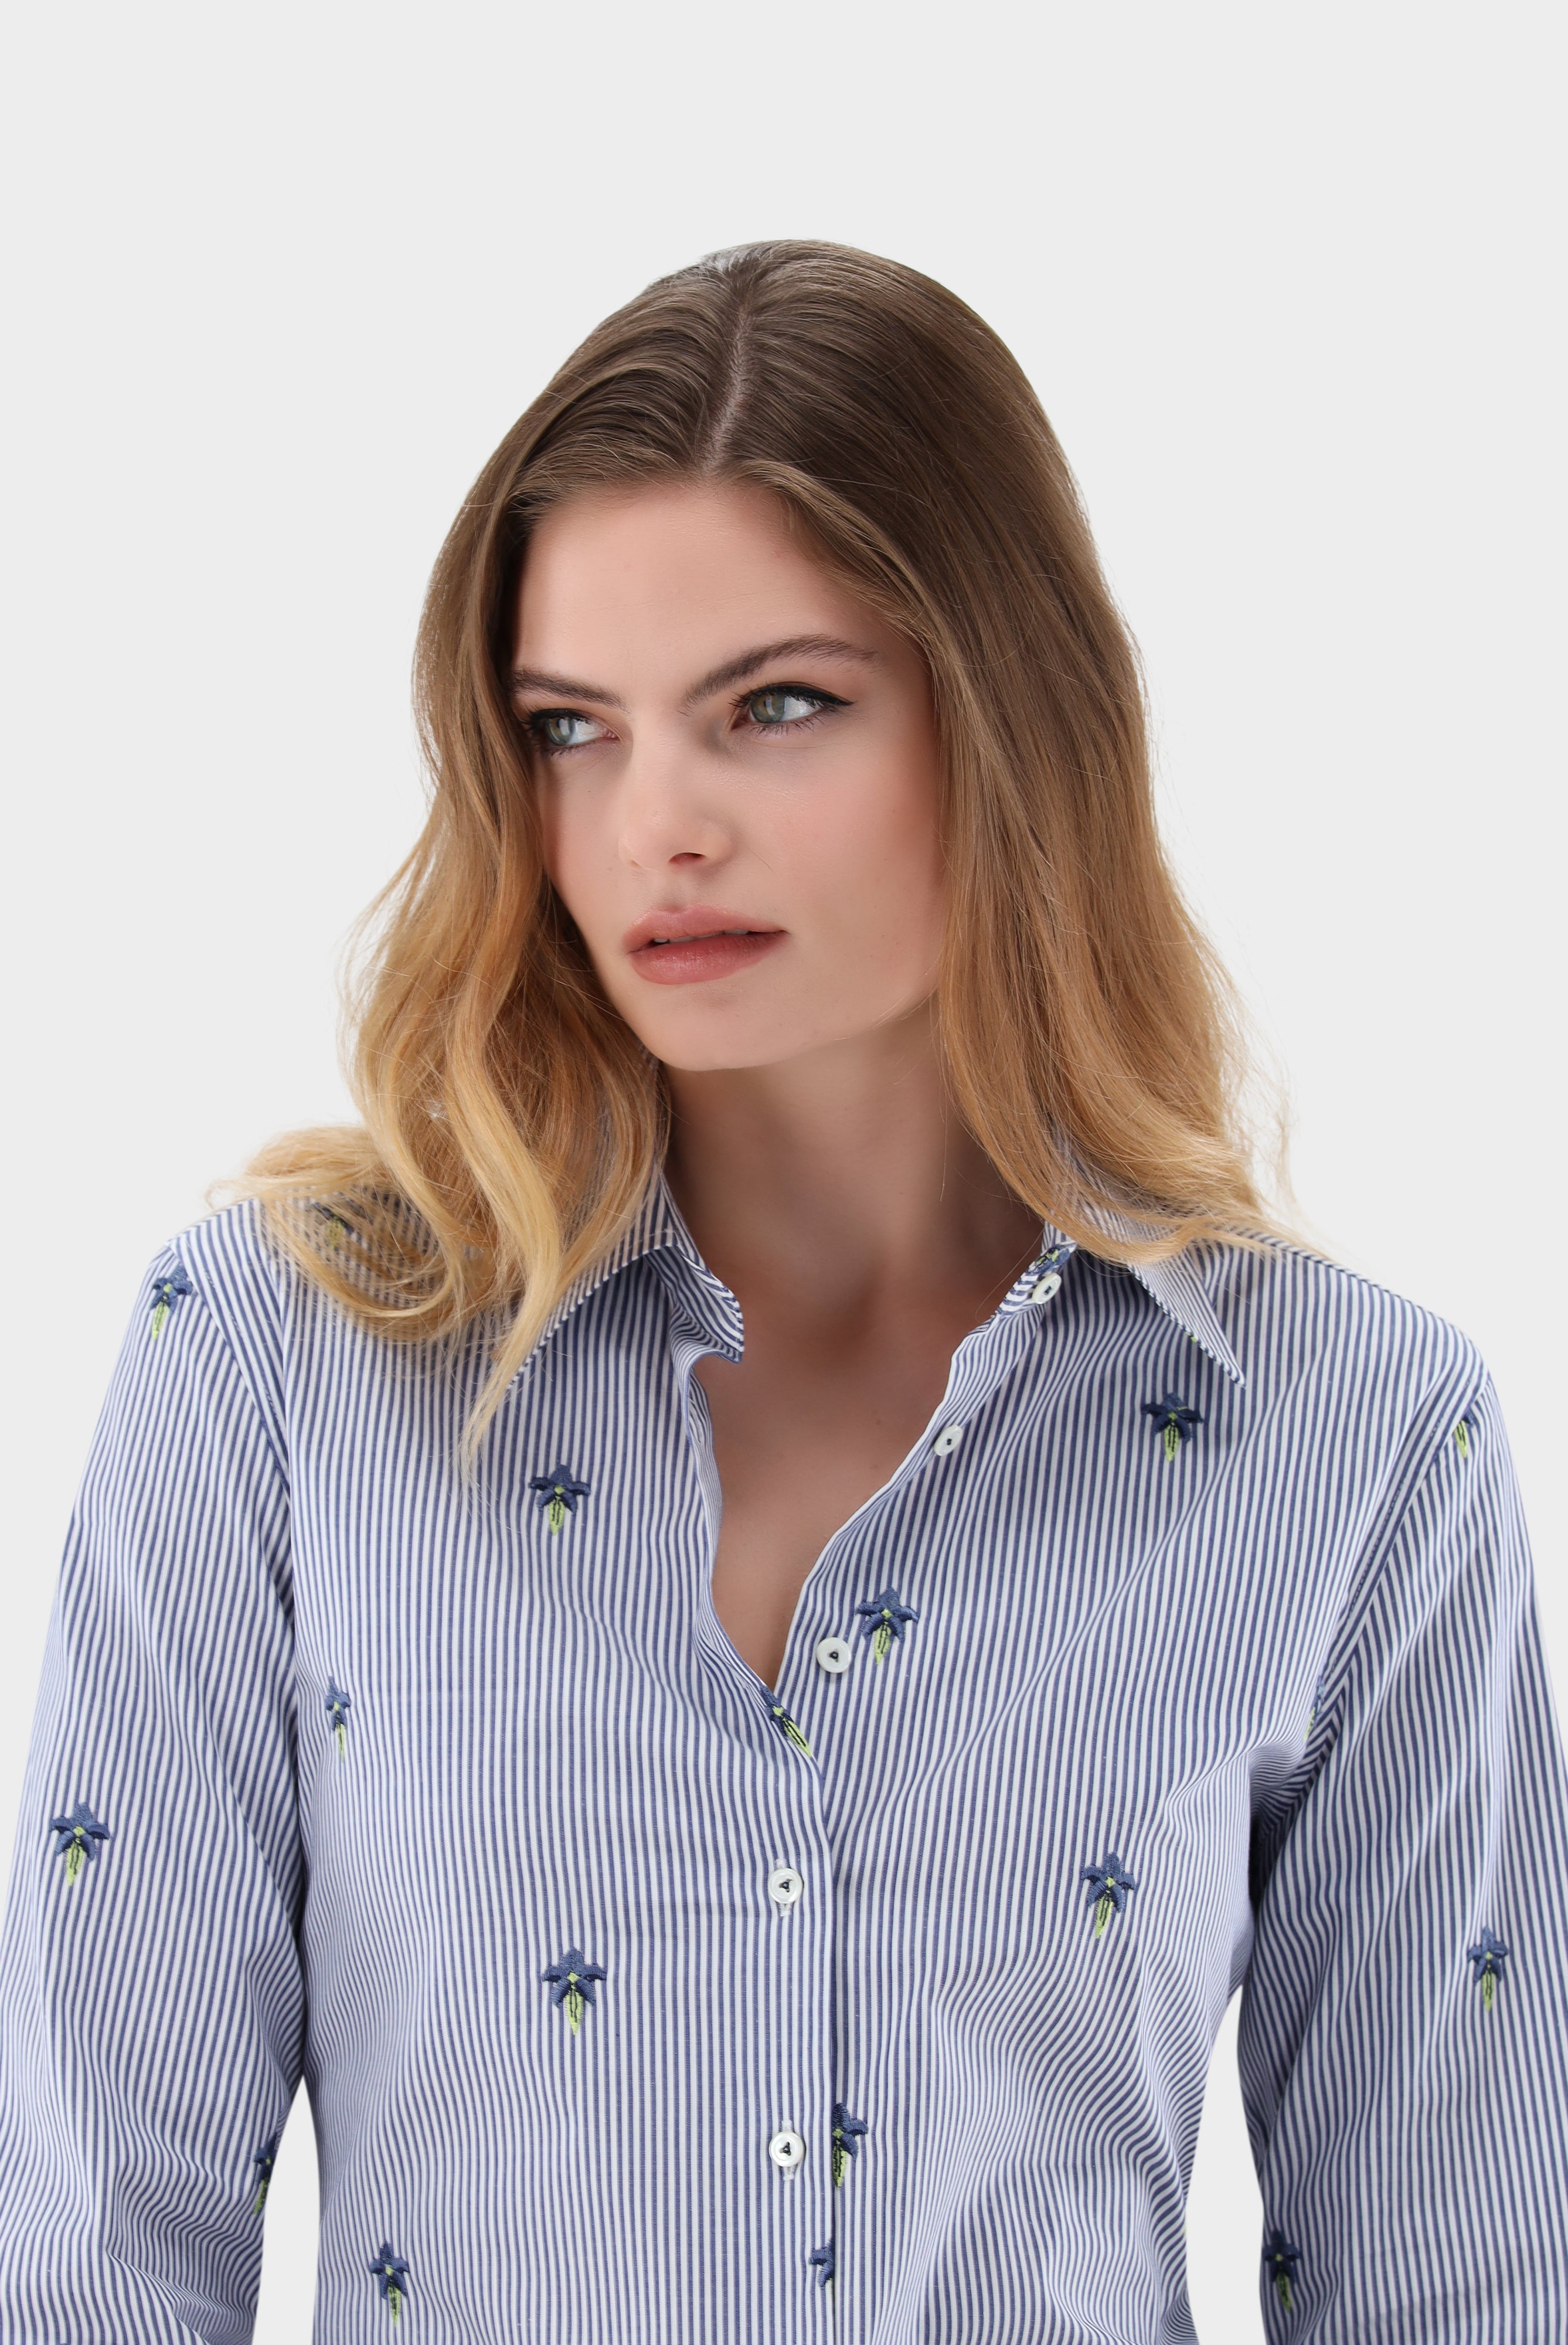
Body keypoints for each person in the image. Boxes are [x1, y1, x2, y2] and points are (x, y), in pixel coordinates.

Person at [1, 240, 1563, 2343]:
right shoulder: (277, 1363)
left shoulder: (1355, 1435)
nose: (655, 826)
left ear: (1009, 722)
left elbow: (1457, 2281)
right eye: (571, 729)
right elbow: (93, 2247)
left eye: (777, 707)